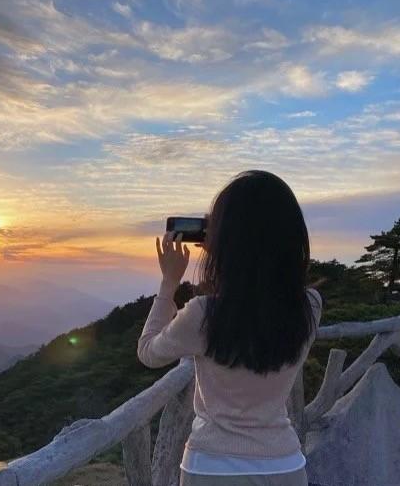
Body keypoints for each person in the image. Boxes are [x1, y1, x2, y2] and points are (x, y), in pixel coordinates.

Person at [138, 170, 322, 486]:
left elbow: (148, 352)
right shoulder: (310, 306)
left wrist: (169, 282)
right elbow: (260, 294)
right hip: (284, 466)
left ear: (226, 238)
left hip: (212, 468)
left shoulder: (204, 314)